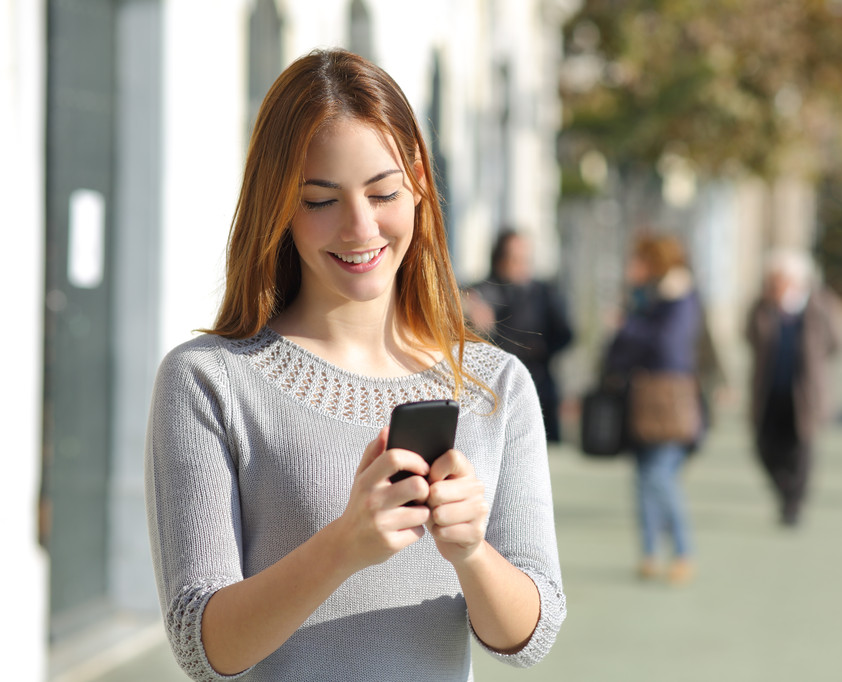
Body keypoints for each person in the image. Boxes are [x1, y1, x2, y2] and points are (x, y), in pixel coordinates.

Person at [144, 48, 565, 682]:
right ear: (279, 205)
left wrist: (472, 552)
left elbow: (530, 636)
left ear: (418, 182)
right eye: (320, 200)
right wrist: (344, 545)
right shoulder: (209, 380)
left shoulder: (493, 386)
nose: (360, 227)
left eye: (382, 191)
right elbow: (205, 651)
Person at [603, 234, 702, 584]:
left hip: (667, 400)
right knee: (644, 478)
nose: (633, 267)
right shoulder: (644, 298)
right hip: (640, 399)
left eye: (639, 261)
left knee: (660, 476)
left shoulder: (679, 296)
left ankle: (683, 551)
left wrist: (627, 327)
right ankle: (649, 552)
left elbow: (667, 346)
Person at [746, 249, 841, 527]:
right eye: (771, 281)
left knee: (801, 450)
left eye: (780, 281)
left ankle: (794, 503)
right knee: (764, 448)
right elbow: (750, 335)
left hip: (805, 393)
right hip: (770, 390)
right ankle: (783, 490)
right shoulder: (763, 307)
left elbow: (836, 341)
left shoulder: (818, 305)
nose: (775, 286)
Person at [464, 229, 573, 442]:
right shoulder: (483, 291)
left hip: (539, 385)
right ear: (499, 259)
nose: (522, 266)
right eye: (515, 259)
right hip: (493, 393)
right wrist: (467, 307)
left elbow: (565, 334)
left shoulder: (543, 293)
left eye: (526, 260)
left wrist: (540, 349)